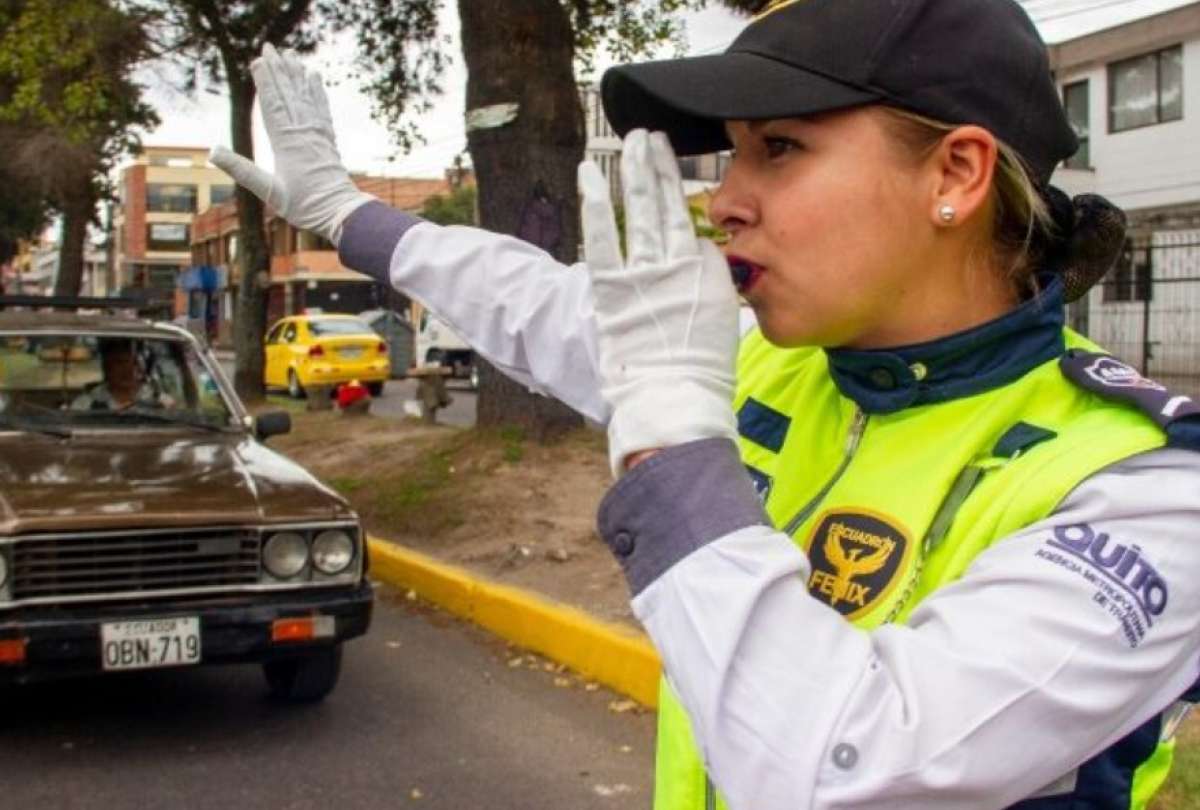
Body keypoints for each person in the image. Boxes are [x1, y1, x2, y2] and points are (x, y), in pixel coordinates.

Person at [212, 2, 1200, 806]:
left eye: (778, 148)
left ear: (956, 173)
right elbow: (530, 299)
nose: (726, 197)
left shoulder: (1141, 490)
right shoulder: (771, 364)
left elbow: (848, 764)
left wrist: (673, 446)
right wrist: (348, 213)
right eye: (729, 154)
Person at [72, 338, 166, 411]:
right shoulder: (87, 404)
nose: (126, 369)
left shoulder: (158, 400)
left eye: (132, 363)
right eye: (119, 363)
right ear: (107, 368)